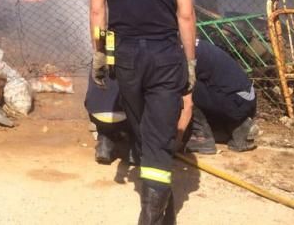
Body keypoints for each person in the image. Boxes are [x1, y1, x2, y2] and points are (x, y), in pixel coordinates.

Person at [88, 0, 196, 225]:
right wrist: (190, 63)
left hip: (126, 56)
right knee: (159, 137)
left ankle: (157, 214)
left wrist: (100, 54)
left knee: (144, 130)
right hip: (165, 55)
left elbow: (96, 14)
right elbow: (186, 14)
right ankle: (155, 214)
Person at [85, 40, 258, 162]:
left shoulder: (178, 55)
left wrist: (176, 141)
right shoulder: (179, 45)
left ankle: (201, 138)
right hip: (235, 95)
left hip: (240, 99)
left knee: (185, 85)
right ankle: (230, 127)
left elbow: (188, 104)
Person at [184, 39, 258, 153]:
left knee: (182, 86)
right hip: (243, 99)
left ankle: (201, 138)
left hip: (236, 101)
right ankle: (237, 126)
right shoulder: (190, 42)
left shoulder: (180, 50)